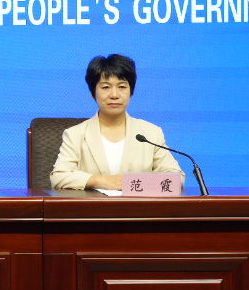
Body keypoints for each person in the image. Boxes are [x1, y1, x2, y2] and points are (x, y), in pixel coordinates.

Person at [50, 54, 184, 190]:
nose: (114, 95)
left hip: (137, 204)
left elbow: (176, 177)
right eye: (105, 87)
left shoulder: (151, 133)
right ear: (92, 92)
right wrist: (102, 181)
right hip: (93, 204)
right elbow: (59, 177)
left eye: (122, 87)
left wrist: (135, 184)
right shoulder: (75, 134)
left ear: (131, 92)